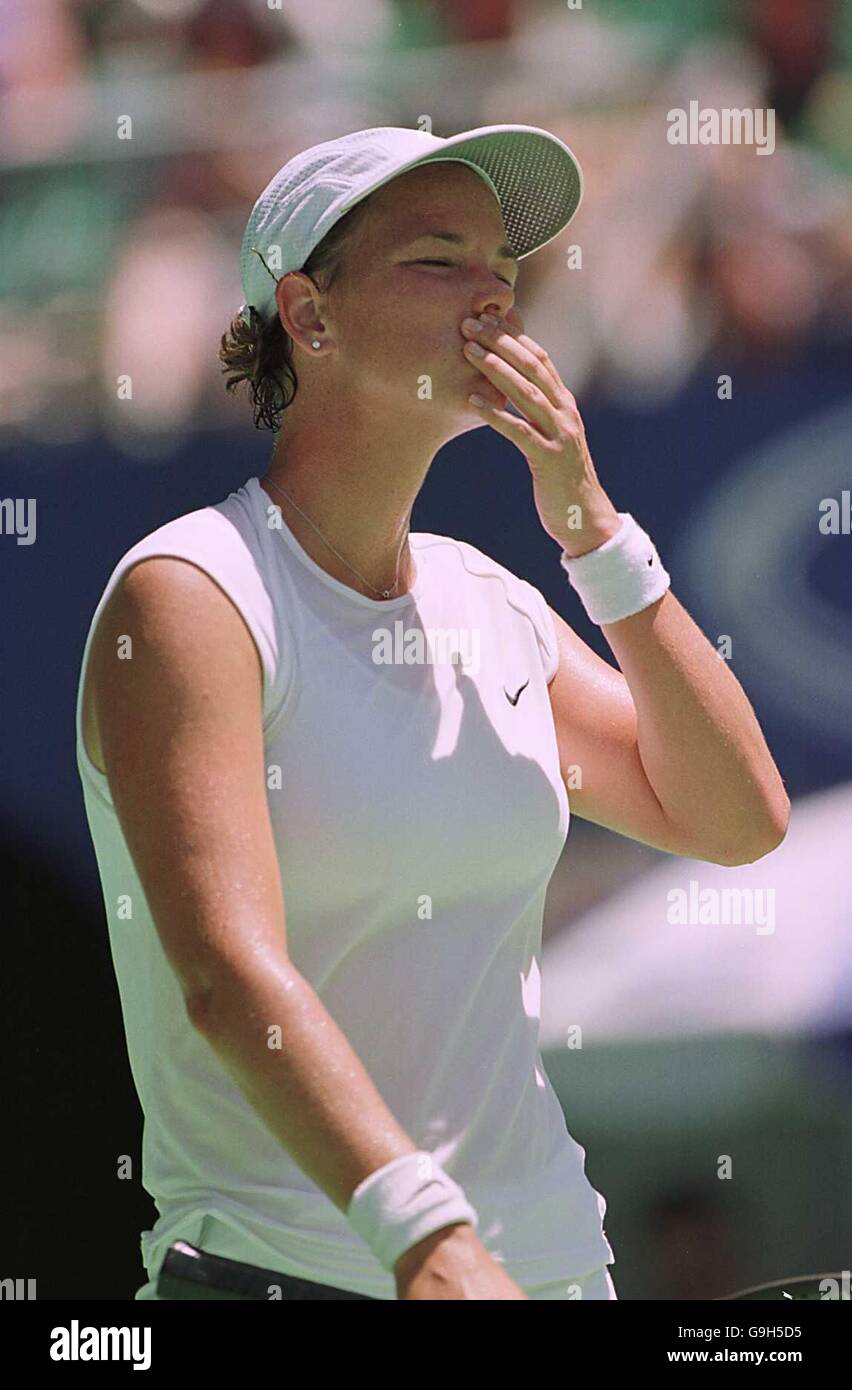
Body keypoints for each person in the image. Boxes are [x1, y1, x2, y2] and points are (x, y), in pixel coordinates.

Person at [75, 125, 790, 1301]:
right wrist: (430, 1244)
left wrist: (594, 530)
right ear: (309, 316)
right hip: (293, 1275)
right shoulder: (192, 595)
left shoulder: (491, 603)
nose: (496, 288)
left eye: (501, 263)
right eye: (437, 259)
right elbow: (227, 975)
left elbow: (737, 819)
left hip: (548, 1272)